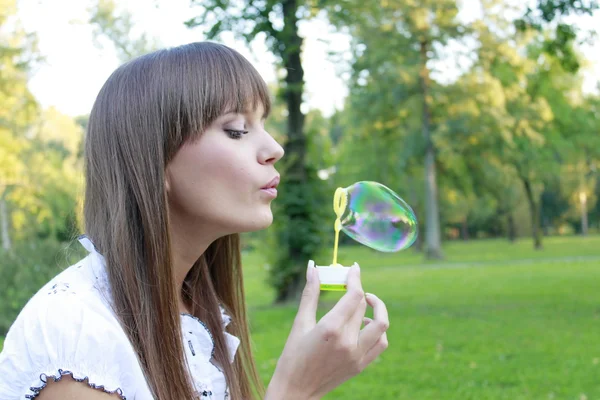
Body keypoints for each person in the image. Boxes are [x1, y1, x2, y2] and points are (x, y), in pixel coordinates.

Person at [0, 42, 389, 400]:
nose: (274, 148)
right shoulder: (76, 336)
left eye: (263, 124)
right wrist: (295, 388)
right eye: (237, 130)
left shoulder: (193, 309)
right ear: (155, 161)